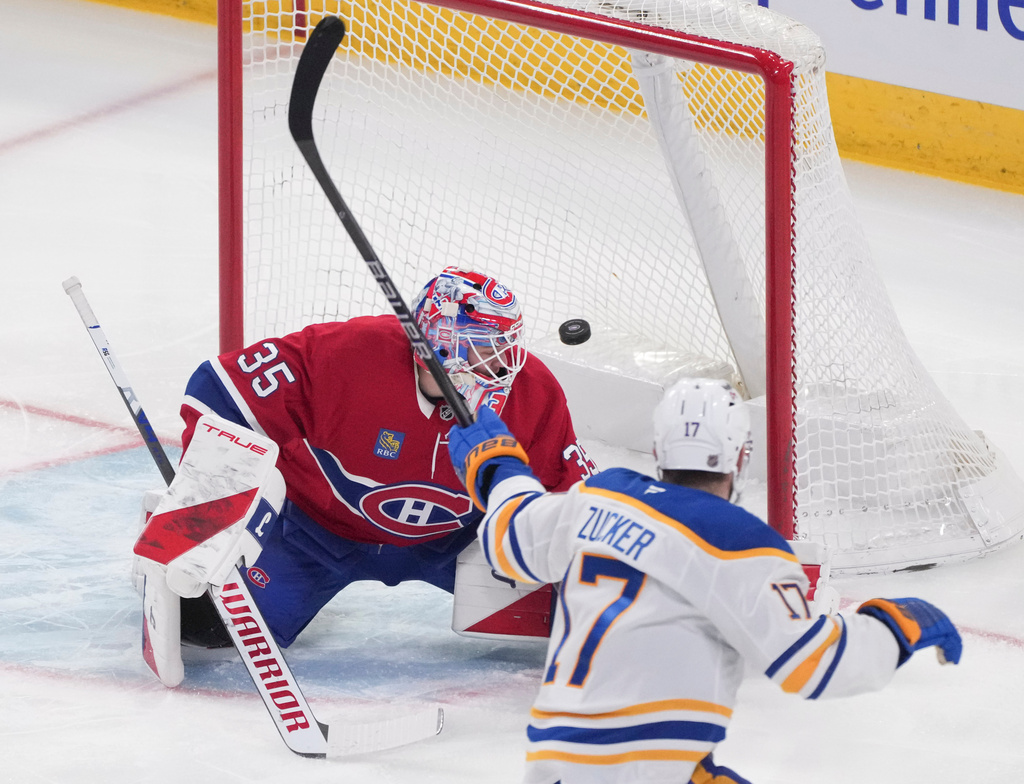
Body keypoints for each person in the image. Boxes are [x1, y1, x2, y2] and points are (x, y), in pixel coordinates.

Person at [447, 377, 962, 784]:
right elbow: (815, 665)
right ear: (739, 456)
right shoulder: (738, 542)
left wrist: (497, 465)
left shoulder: (598, 497)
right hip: (649, 768)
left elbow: (511, 533)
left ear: (659, 449)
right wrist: (892, 627)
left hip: (555, 764)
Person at [137, 265, 597, 660]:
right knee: (205, 626)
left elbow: (570, 495)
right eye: (484, 346)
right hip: (317, 533)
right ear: (437, 343)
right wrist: (206, 508)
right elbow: (218, 390)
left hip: (458, 542)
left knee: (588, 611)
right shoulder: (346, 354)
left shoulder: (532, 391)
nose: (501, 366)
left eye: (505, 346)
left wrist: (596, 568)